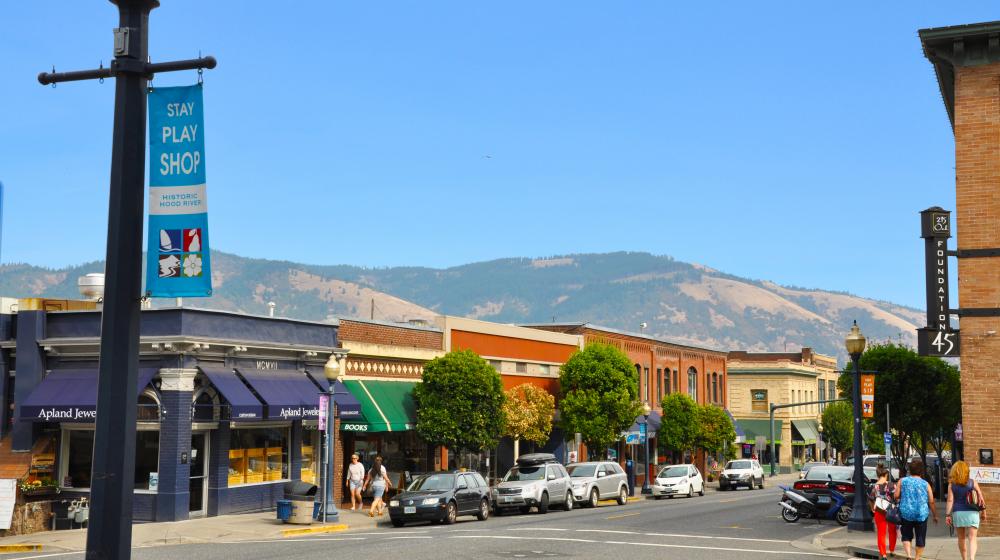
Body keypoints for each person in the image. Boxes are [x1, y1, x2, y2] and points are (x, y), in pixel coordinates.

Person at [895, 458, 938, 560]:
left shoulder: (902, 481)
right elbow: (931, 501)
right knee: (920, 537)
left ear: (910, 470)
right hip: (921, 514)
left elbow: (896, 496)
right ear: (921, 470)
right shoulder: (925, 484)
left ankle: (909, 556)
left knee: (906, 536)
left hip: (906, 513)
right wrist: (935, 515)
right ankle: (917, 558)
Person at [947, 460, 986, 560]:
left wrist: (948, 515)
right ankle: (972, 558)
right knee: (972, 538)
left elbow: (950, 500)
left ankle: (964, 558)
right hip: (973, 512)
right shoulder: (973, 482)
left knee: (961, 538)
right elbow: (981, 499)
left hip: (958, 513)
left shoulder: (951, 485)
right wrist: (984, 512)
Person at [870, 463, 898, 560]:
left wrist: (872, 508)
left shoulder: (875, 486)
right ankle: (892, 550)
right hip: (891, 510)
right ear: (886, 475)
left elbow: (871, 498)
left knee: (881, 533)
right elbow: (896, 497)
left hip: (879, 510)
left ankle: (883, 553)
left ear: (878, 475)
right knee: (892, 531)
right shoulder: (892, 485)